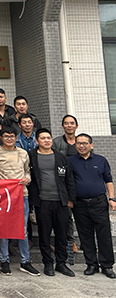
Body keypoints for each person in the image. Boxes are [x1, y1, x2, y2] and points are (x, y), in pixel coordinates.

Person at [0, 127, 39, 277]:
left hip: (22, 195)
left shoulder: (23, 153)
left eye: (12, 136)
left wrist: (27, 179)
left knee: (22, 229)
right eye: (6, 136)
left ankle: (25, 261)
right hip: (3, 196)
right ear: (1, 137)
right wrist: (1, 184)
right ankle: (4, 261)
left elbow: (27, 171)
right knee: (3, 229)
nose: (9, 139)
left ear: (16, 137)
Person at [28, 128, 76, 277]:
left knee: (62, 234)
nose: (46, 140)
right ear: (37, 141)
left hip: (60, 201)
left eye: (48, 138)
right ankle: (48, 263)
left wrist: (70, 199)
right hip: (42, 201)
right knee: (44, 234)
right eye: (43, 138)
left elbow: (69, 179)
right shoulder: (31, 156)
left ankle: (61, 263)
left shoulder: (61, 157)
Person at [69, 133, 116, 278]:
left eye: (84, 143)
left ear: (91, 145)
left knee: (104, 235)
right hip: (80, 204)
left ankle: (107, 265)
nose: (81, 146)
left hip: (99, 202)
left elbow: (108, 180)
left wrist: (112, 198)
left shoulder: (101, 160)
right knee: (85, 235)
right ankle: (91, 264)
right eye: (79, 143)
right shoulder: (70, 161)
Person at [52, 114, 79, 261]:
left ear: (76, 126)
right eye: (66, 123)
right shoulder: (57, 142)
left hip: (79, 181)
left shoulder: (81, 141)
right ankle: (70, 240)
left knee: (81, 214)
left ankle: (85, 241)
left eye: (72, 123)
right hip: (63, 183)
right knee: (67, 214)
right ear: (62, 126)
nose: (69, 126)